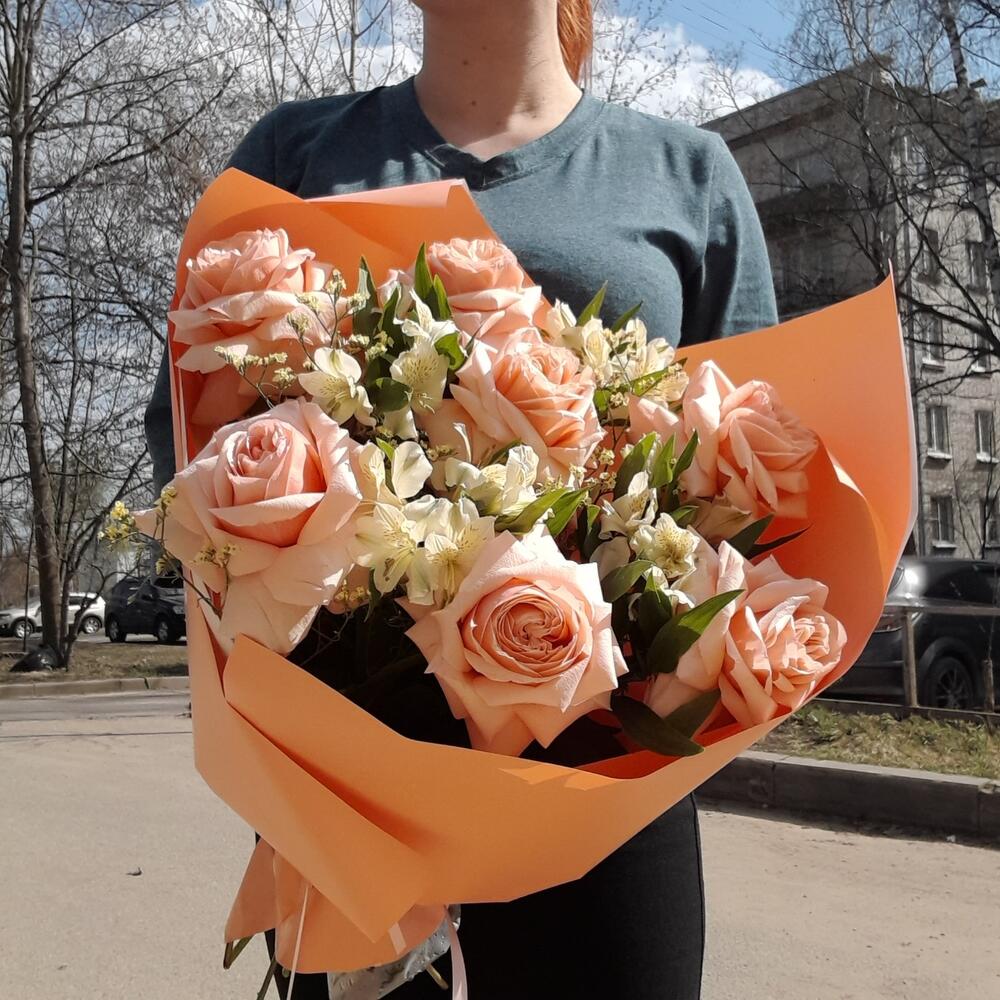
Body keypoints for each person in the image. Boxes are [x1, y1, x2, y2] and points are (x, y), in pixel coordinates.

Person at [144, 2, 777, 997]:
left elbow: (752, 492)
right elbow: (188, 445)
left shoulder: (686, 176)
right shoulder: (294, 155)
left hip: (607, 792)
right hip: (354, 792)